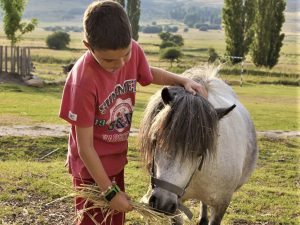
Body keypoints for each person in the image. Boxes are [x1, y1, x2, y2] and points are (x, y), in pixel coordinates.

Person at [59, 1, 207, 225]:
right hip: (90, 170)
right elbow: (85, 147)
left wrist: (182, 80)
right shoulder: (84, 81)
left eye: (125, 55)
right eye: (109, 60)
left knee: (115, 220)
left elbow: (147, 73)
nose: (120, 64)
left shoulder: (133, 50)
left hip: (116, 161)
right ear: (88, 46)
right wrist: (109, 192)